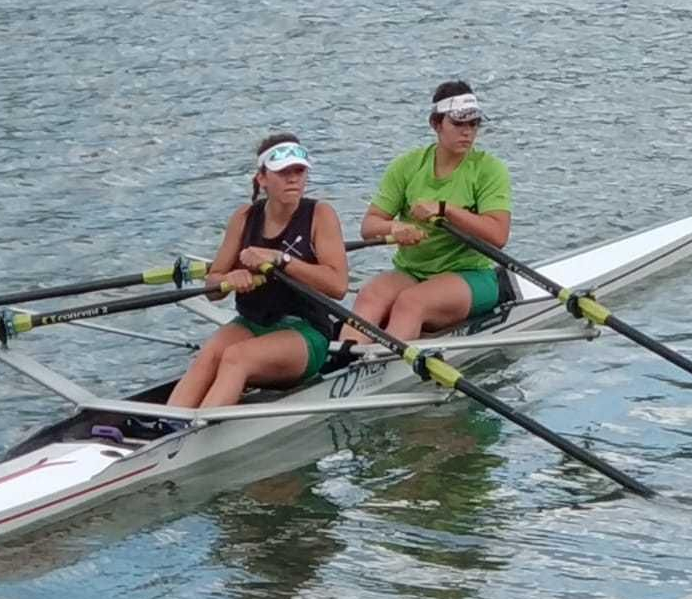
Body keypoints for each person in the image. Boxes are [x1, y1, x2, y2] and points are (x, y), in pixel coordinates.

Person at [167, 134, 348, 409]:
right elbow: (213, 288)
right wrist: (228, 280)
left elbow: (338, 286)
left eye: (299, 171)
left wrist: (281, 259)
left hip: (305, 330)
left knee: (235, 357)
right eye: (283, 172)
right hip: (252, 323)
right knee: (210, 354)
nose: (293, 179)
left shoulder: (320, 215)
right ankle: (169, 423)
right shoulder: (244, 217)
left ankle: (195, 434)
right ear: (262, 179)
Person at [345, 81, 513, 344]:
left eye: (474, 124)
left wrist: (446, 209)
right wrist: (394, 228)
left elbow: (498, 235)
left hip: (471, 275)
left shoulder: (489, 170)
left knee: (411, 303)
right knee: (370, 295)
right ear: (435, 124)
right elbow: (369, 227)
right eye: (458, 124)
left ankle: (381, 368)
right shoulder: (407, 166)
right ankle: (344, 361)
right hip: (412, 272)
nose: (467, 133)